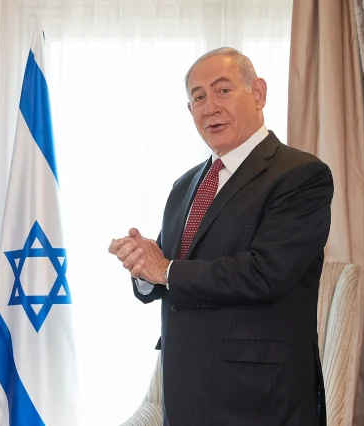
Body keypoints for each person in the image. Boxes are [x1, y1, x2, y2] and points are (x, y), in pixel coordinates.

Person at [108, 47, 332, 426]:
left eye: (222, 90)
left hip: (259, 399)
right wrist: (144, 267)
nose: (209, 107)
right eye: (198, 98)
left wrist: (165, 270)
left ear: (258, 93)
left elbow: (266, 273)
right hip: (185, 393)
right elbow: (170, 270)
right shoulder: (184, 185)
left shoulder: (300, 174)